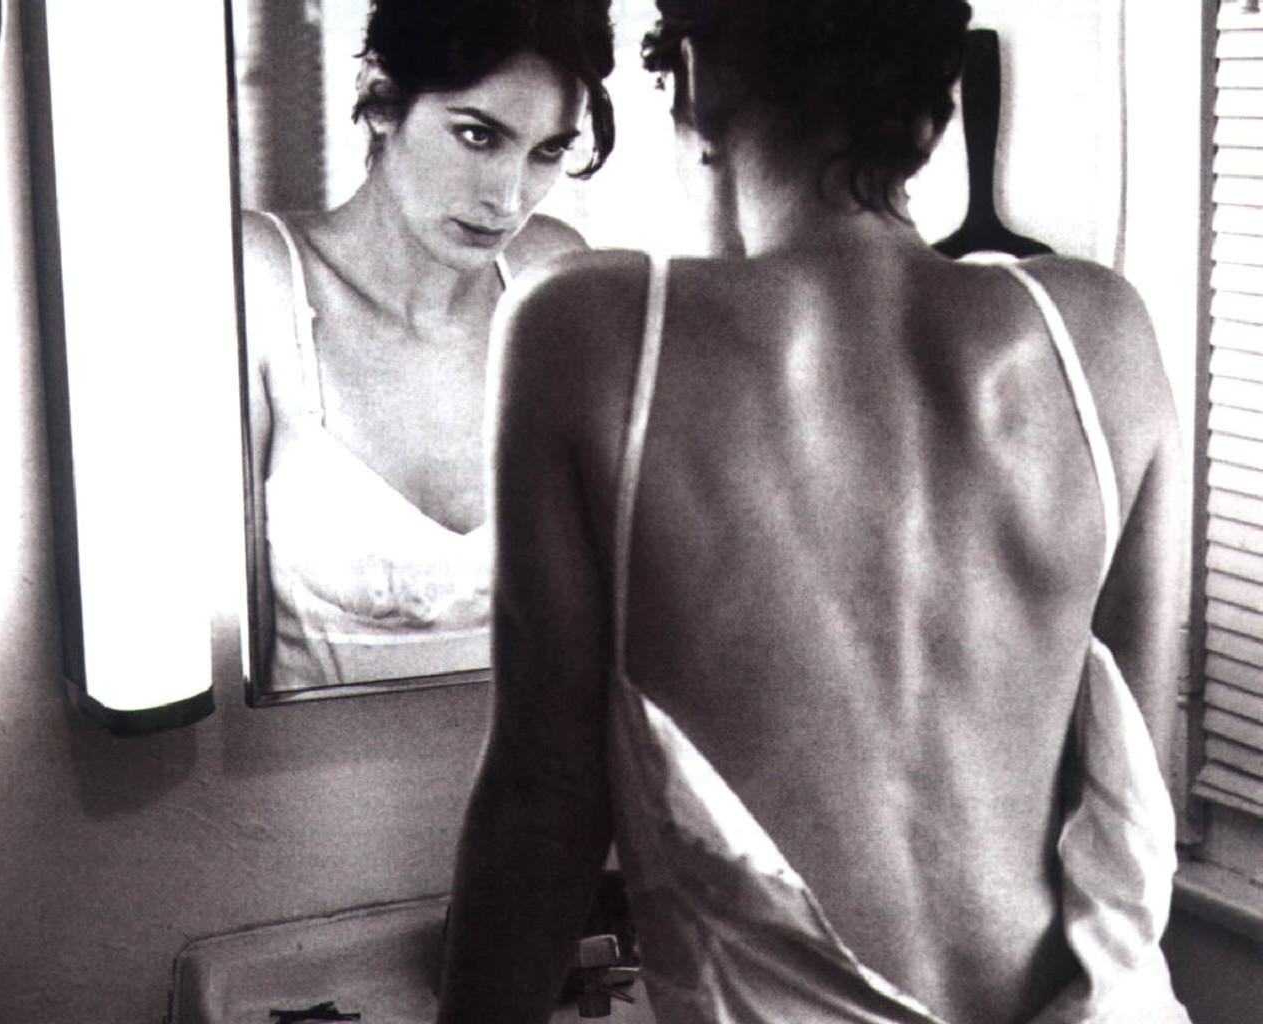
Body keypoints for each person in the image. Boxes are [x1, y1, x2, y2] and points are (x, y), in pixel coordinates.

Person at [436, 1, 1194, 1022]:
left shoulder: (586, 334)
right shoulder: (1101, 335)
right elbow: (1134, 790)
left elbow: (543, 800)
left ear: (694, 72)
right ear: (937, 90)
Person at [240, 0, 615, 693]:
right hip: (309, 762)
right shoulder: (261, 280)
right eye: (478, 135)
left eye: (547, 151)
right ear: (381, 97)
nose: (508, 199)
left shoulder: (550, 272)